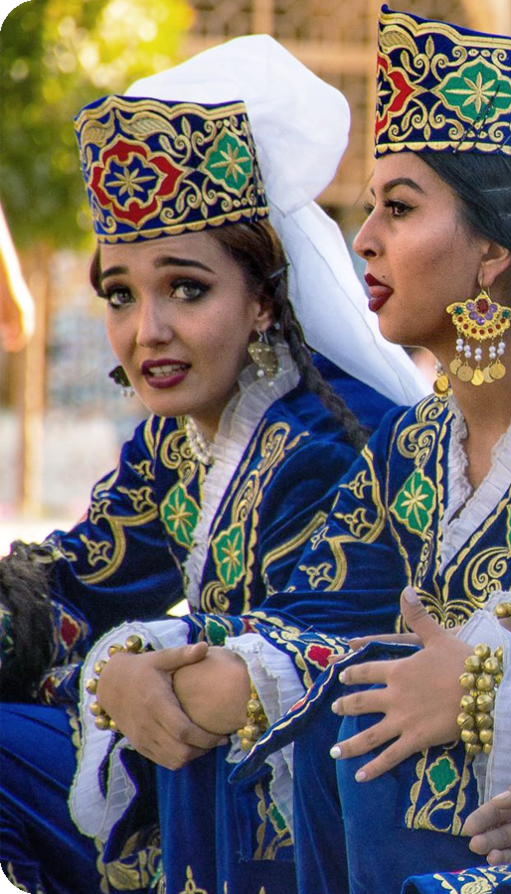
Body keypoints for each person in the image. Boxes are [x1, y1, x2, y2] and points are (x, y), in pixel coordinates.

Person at [170, 9, 511, 893]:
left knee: (378, 747)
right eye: (370, 208)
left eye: (399, 209)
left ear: (490, 249)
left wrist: (476, 682)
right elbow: (320, 612)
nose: (363, 238)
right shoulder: (415, 441)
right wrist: (185, 658)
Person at [0, 36, 422, 894]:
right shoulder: (182, 431)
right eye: (120, 293)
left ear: (265, 298)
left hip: (284, 803)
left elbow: (284, 656)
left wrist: (116, 670)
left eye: (185, 288)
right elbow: (80, 585)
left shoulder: (334, 441)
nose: (145, 328)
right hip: (184, 757)